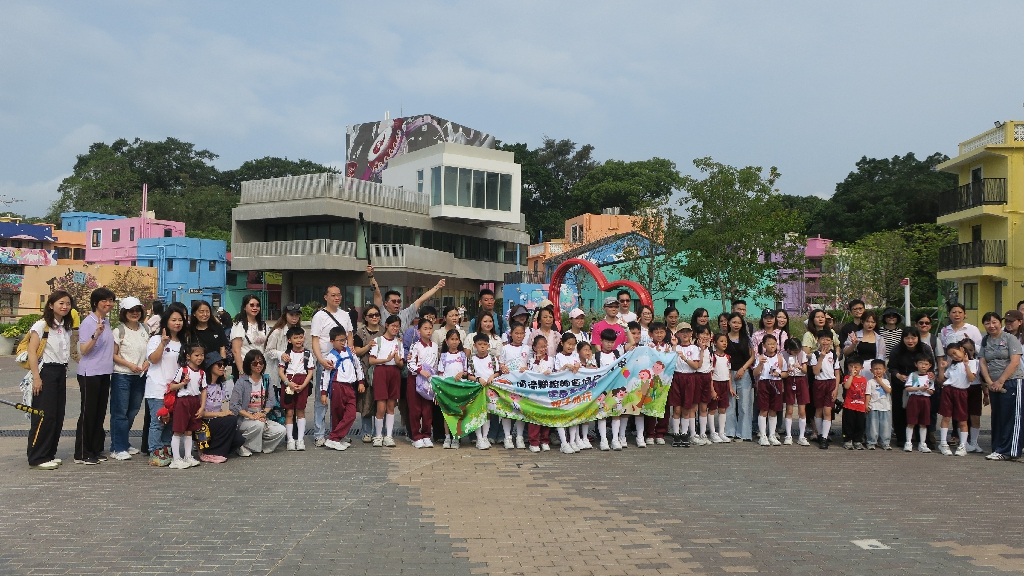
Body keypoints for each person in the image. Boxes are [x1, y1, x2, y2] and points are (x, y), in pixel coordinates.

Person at [26, 291, 73, 470]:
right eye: (61, 303)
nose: (65, 306)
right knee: (43, 415)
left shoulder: (65, 326)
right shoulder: (42, 325)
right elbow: (32, 351)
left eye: (68, 303)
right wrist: (36, 377)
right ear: (51, 305)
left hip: (61, 371)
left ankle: (49, 453)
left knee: (57, 415)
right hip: (46, 372)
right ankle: (37, 457)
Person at [75, 287, 116, 465]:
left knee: (99, 413)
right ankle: (82, 453)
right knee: (88, 413)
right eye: (104, 300)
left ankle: (95, 449)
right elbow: (84, 350)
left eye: (111, 300)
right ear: (95, 303)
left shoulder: (106, 321)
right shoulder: (88, 322)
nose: (108, 303)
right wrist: (96, 334)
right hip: (89, 373)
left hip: (104, 372)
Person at [145, 302, 188, 467]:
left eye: (180, 320)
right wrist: (163, 344)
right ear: (166, 321)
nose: (177, 323)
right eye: (173, 320)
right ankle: (154, 451)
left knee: (171, 422)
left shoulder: (183, 342)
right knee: (158, 421)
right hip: (158, 388)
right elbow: (153, 360)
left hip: (175, 389)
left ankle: (166, 449)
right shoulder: (156, 339)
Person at [309, 286, 353, 448]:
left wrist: (349, 355)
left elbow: (349, 336)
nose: (337, 298)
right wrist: (321, 360)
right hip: (325, 362)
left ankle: (338, 433)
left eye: (339, 295)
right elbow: (315, 340)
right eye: (333, 295)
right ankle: (319, 434)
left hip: (342, 364)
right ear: (325, 297)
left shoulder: (345, 315)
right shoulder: (319, 316)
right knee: (321, 399)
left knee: (340, 401)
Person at [979, 311, 1024, 461]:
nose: (991, 326)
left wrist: (1001, 381)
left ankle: (1009, 450)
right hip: (993, 384)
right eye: (987, 323)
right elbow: (982, 362)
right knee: (997, 416)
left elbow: (1015, 361)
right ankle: (998, 448)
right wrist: (989, 381)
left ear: (1000, 323)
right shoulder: (986, 340)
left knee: (1011, 417)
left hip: (1012, 382)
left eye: (994, 322)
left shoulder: (1010, 338)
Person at [109, 296, 150, 460]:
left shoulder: (145, 329)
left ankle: (123, 443)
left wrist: (147, 362)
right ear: (124, 313)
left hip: (139, 376)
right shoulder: (119, 331)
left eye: (137, 310)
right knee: (120, 412)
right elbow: (113, 355)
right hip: (122, 376)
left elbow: (149, 351)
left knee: (133, 411)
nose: (135, 313)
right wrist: (129, 365)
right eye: (131, 311)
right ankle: (117, 447)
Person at [229, 350, 286, 456]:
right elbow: (234, 405)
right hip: (245, 418)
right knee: (259, 425)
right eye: (254, 363)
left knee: (281, 430)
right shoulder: (241, 382)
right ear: (249, 365)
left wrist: (262, 413)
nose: (258, 365)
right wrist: (251, 416)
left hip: (261, 416)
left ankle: (259, 445)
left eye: (261, 362)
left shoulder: (266, 379)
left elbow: (271, 400)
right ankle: (240, 444)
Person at [888, 327, 935, 447]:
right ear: (902, 338)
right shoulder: (896, 350)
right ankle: (902, 438)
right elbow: (891, 367)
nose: (910, 341)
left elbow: (931, 365)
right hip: (901, 383)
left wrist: (930, 374)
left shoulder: (925, 348)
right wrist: (898, 375)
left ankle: (923, 439)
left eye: (913, 338)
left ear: (918, 338)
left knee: (923, 410)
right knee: (900, 409)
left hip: (921, 383)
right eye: (907, 338)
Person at [321, 326, 366, 452]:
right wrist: (323, 393)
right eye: (339, 340)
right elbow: (325, 375)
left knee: (351, 414)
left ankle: (334, 438)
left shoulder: (350, 352)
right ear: (332, 341)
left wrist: (361, 382)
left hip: (350, 387)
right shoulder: (331, 356)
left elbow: (358, 367)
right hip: (337, 387)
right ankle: (336, 439)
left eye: (344, 340)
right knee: (337, 414)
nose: (342, 343)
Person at [198, 352, 245, 463]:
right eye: (219, 364)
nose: (222, 367)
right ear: (210, 366)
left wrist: (224, 414)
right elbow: (200, 413)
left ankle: (214, 450)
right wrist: (222, 414)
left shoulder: (220, 385)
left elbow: (219, 408)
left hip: (214, 421)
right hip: (203, 423)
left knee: (239, 440)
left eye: (223, 365)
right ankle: (209, 453)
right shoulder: (202, 386)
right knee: (230, 420)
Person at [368, 265, 446, 331]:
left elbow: (421, 300)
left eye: (399, 301)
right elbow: (377, 294)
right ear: (386, 303)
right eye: (394, 301)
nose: (397, 303)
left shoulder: (406, 314)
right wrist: (371, 276)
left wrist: (437, 286)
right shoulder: (381, 312)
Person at [168, 342, 207, 469]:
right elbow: (172, 386)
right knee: (178, 430)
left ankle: (188, 456)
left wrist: (202, 407)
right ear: (188, 356)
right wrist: (183, 383)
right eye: (197, 355)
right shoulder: (183, 370)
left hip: (195, 401)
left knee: (190, 431)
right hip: (183, 401)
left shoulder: (202, 373)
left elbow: (204, 390)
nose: (200, 358)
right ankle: (176, 458)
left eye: (202, 355)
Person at [368, 315, 404, 447]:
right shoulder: (378, 341)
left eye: (397, 326)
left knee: (391, 406)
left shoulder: (399, 343)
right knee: (381, 406)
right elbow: (371, 360)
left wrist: (397, 361)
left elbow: (401, 364)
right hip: (381, 372)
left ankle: (389, 436)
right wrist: (386, 359)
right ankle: (378, 435)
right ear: (387, 325)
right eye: (393, 326)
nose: (395, 328)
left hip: (394, 373)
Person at [278, 326, 315, 451]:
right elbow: (281, 372)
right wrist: (288, 383)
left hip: (302, 382)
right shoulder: (286, 354)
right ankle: (290, 440)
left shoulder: (307, 354)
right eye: (295, 338)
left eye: (301, 337)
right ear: (289, 340)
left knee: (301, 410)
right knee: (289, 412)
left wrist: (303, 385)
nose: (299, 340)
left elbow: (310, 372)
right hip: (289, 383)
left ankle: (300, 440)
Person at [936, 342, 974, 457]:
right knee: (946, 417)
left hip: (961, 392)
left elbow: (971, 378)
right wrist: (942, 368)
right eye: (951, 355)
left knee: (962, 419)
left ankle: (963, 445)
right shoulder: (952, 365)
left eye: (955, 353)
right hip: (948, 390)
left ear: (961, 349)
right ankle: (943, 443)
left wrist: (966, 365)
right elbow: (942, 380)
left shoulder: (972, 362)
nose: (954, 356)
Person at [351, 304, 382, 442]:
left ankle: (380, 432)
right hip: (364, 371)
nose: (374, 317)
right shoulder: (360, 333)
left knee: (381, 401)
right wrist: (368, 346)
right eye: (371, 315)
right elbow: (356, 351)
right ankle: (366, 432)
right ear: (365, 317)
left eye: (377, 314)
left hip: (381, 371)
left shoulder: (384, 330)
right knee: (366, 402)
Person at [406, 318, 439, 449]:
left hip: (429, 380)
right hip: (415, 379)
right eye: (425, 328)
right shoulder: (415, 346)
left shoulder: (435, 346)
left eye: (430, 328)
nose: (428, 331)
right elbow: (410, 364)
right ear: (419, 331)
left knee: (427, 410)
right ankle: (416, 436)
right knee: (415, 409)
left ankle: (426, 435)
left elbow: (435, 364)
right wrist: (420, 370)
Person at [724, 313, 755, 441]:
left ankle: (744, 433)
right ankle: (729, 432)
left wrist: (743, 369)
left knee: (744, 404)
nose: (736, 325)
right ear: (729, 323)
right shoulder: (724, 338)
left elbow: (752, 356)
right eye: (734, 322)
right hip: (728, 373)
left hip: (744, 373)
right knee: (729, 404)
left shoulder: (747, 339)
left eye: (739, 322)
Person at [498, 322, 529, 448]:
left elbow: (531, 364)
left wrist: (527, 368)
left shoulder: (527, 348)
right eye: (516, 333)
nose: (519, 336)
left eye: (521, 333)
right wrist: (503, 367)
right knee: (507, 409)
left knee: (520, 409)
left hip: (522, 383)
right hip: (508, 383)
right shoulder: (505, 348)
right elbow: (501, 363)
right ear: (511, 334)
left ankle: (520, 437)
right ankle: (507, 436)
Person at [753, 334, 787, 447]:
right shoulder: (760, 357)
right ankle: (763, 435)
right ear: (764, 345)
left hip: (776, 383)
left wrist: (779, 374)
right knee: (763, 409)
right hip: (764, 383)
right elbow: (755, 373)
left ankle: (772, 434)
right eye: (769, 344)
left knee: (774, 410)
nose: (772, 346)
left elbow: (786, 373)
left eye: (774, 344)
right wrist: (760, 364)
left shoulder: (780, 358)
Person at [265, 302, 303, 403]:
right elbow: (268, 351)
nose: (294, 317)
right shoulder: (277, 332)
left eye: (297, 315)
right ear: (285, 315)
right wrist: (280, 354)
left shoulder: (301, 331)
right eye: (291, 314)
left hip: (294, 374)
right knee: (276, 405)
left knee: (292, 405)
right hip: (277, 375)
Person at [467, 333, 500, 450]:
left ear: (488, 345)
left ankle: (485, 436)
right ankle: (479, 438)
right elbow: (469, 375)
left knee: (487, 413)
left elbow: (498, 372)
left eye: (485, 344)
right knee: (478, 413)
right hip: (477, 390)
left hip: (490, 390)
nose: (482, 346)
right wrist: (478, 379)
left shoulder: (492, 358)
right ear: (474, 345)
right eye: (479, 344)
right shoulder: (472, 359)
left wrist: (492, 376)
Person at [439, 329, 469, 449]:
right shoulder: (443, 356)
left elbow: (466, 371)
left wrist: (462, 373)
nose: (454, 341)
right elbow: (440, 373)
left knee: (458, 413)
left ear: (459, 341)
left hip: (459, 388)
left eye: (456, 339)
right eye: (452, 339)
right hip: (447, 389)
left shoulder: (462, 355)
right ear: (446, 341)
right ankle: (447, 437)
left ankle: (456, 437)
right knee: (447, 414)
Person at [809, 331, 840, 450]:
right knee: (818, 410)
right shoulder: (815, 355)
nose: (825, 342)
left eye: (828, 340)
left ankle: (825, 437)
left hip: (831, 383)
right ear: (818, 340)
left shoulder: (834, 355)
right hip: (819, 383)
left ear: (831, 342)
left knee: (827, 410)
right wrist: (821, 358)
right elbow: (816, 372)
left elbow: (837, 373)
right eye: (823, 339)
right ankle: (820, 434)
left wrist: (836, 389)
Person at [554, 332, 583, 453]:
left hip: (574, 390)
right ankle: (564, 443)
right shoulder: (558, 356)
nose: (571, 346)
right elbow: (556, 373)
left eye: (573, 344)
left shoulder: (576, 355)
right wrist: (565, 367)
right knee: (561, 415)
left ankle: (572, 441)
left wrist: (578, 366)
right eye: (568, 344)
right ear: (562, 343)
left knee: (573, 415)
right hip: (562, 390)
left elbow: (581, 370)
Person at [595, 328, 623, 450]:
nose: (609, 344)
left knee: (616, 414)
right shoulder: (597, 356)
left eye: (612, 342)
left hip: (616, 389)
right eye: (607, 341)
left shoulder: (617, 354)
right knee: (602, 414)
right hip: (602, 390)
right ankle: (603, 439)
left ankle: (615, 439)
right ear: (601, 341)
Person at [674, 323, 701, 447]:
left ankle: (684, 433)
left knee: (686, 408)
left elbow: (696, 366)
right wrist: (674, 348)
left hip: (690, 378)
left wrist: (684, 358)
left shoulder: (695, 348)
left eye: (687, 332)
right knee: (677, 408)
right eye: (682, 332)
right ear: (678, 334)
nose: (685, 334)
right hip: (677, 377)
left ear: (691, 333)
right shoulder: (675, 347)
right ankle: (676, 434)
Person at [230, 295, 270, 378]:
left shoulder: (263, 325)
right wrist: (241, 371)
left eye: (257, 305)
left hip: (260, 367)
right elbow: (236, 351)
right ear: (244, 307)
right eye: (252, 305)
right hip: (245, 367)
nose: (255, 308)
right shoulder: (239, 325)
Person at [706, 333, 735, 445]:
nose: (724, 343)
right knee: (712, 409)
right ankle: (713, 433)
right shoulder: (712, 357)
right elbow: (710, 374)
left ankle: (721, 432)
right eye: (721, 341)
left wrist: (730, 387)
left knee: (723, 409)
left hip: (725, 384)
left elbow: (729, 373)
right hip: (715, 384)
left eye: (726, 341)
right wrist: (712, 390)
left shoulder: (728, 357)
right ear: (715, 343)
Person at [904, 355, 935, 453]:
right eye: (921, 363)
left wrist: (927, 390)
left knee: (923, 422)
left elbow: (932, 392)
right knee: (911, 421)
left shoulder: (930, 377)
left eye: (926, 364)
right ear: (916, 364)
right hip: (914, 399)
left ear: (930, 365)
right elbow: (908, 388)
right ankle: (908, 442)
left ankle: (922, 443)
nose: (923, 366)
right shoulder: (913, 375)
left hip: (925, 400)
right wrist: (919, 388)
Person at [781, 338, 810, 446]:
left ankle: (802, 436)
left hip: (801, 380)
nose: (797, 352)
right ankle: (788, 435)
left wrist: (800, 366)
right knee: (789, 409)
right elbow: (781, 370)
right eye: (795, 351)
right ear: (789, 349)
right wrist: (786, 370)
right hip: (789, 380)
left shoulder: (802, 354)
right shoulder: (783, 355)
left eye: (798, 350)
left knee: (802, 410)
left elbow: (805, 370)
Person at [527, 334, 553, 453]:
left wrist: (550, 372)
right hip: (534, 394)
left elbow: (555, 372)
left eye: (545, 346)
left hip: (547, 393)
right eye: (540, 347)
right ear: (534, 348)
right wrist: (537, 361)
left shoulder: (551, 359)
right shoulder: (531, 360)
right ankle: (533, 441)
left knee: (546, 417)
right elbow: (530, 373)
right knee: (534, 418)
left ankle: (545, 440)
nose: (543, 349)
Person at [840, 356, 868, 450]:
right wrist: (851, 376)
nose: (853, 369)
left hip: (860, 406)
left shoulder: (864, 379)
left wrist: (866, 404)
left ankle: (857, 440)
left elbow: (866, 393)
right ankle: (847, 440)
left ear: (861, 368)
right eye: (851, 366)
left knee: (859, 424)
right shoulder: (847, 377)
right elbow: (846, 387)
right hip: (849, 405)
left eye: (856, 367)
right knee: (848, 424)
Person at [865, 359, 892, 450]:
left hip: (885, 407)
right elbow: (868, 394)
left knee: (885, 426)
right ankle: (871, 441)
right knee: (872, 426)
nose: (878, 371)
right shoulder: (870, 382)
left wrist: (880, 382)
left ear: (884, 370)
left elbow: (888, 390)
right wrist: (866, 405)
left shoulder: (886, 381)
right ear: (871, 370)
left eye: (880, 369)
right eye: (875, 369)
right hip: (873, 406)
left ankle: (885, 442)